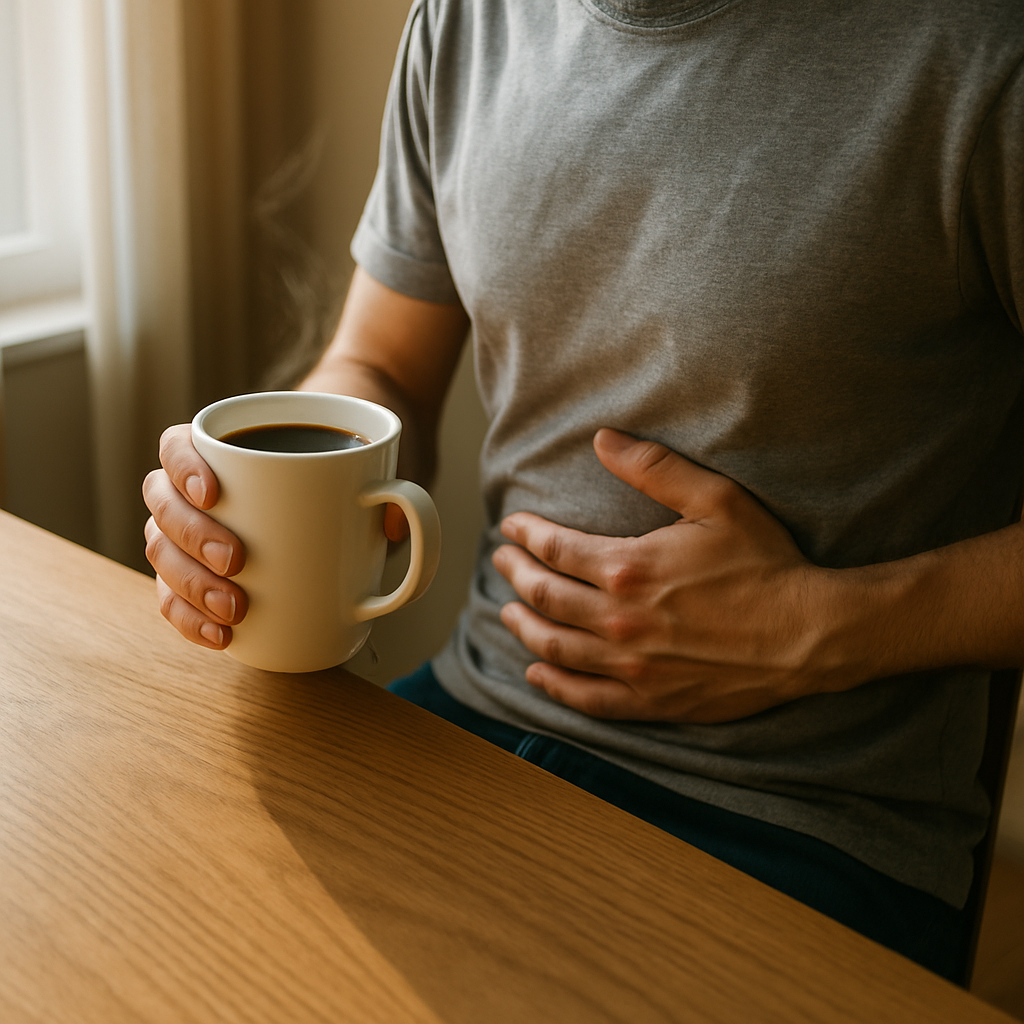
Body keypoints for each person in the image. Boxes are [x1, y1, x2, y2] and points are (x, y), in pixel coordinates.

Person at [144, 0, 1024, 982]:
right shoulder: (461, 21)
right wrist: (273, 506)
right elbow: (379, 361)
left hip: (803, 820)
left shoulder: (979, 50)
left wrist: (828, 626)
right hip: (471, 716)